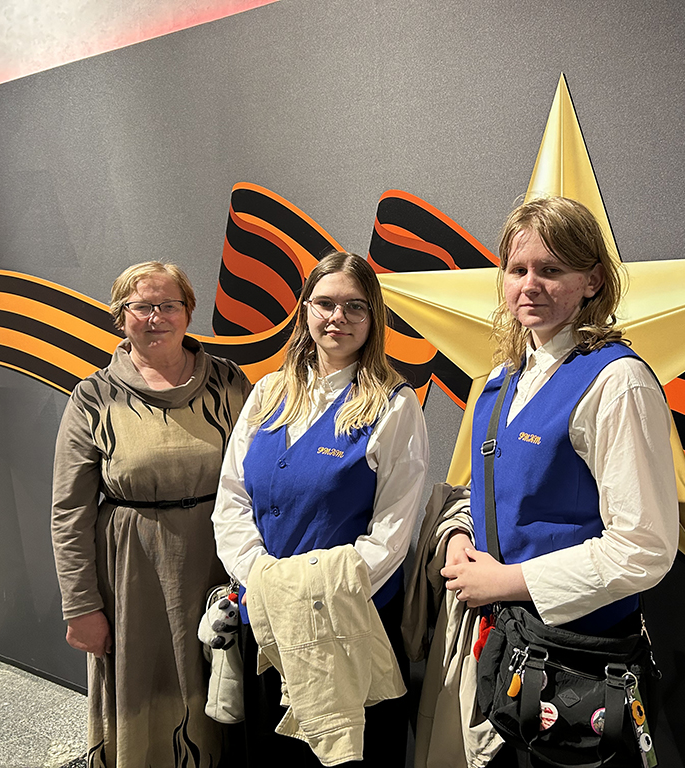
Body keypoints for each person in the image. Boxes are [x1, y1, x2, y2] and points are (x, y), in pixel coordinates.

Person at [440, 196, 679, 766]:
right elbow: (493, 492)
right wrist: (460, 536)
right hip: (505, 652)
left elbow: (644, 549)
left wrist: (507, 581)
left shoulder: (616, 382)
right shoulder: (502, 380)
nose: (530, 285)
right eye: (517, 269)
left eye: (550, 270)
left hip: (575, 669)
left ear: (592, 280)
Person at [211, 251, 429, 767]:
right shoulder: (268, 392)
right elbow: (231, 499)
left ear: (373, 317)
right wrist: (263, 580)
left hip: (348, 625)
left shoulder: (394, 404)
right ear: (305, 310)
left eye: (355, 306)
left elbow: (392, 534)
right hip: (266, 619)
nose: (338, 317)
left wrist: (310, 594)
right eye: (325, 304)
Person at [51, 261, 252, 768]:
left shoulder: (229, 383)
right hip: (131, 574)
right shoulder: (94, 397)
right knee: (142, 685)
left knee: (219, 678)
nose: (156, 317)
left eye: (169, 305)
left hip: (220, 560)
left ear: (188, 312)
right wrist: (80, 605)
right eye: (141, 306)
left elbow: (262, 474)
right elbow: (70, 510)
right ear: (121, 316)